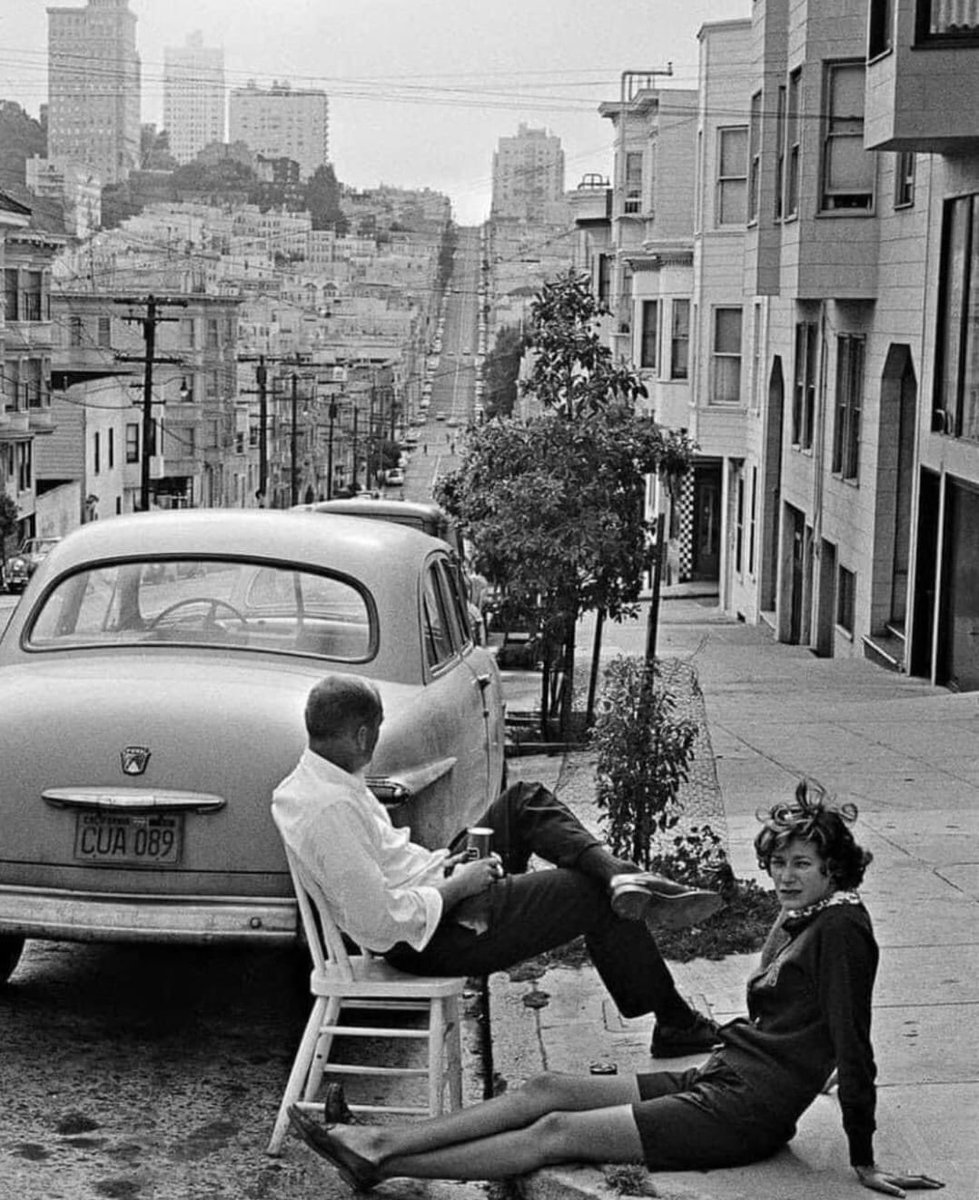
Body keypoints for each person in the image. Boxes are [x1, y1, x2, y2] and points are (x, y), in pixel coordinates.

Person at [286, 780, 945, 1199]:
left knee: (556, 1131)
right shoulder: (803, 916)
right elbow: (808, 1023)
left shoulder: (841, 931)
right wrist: (814, 1061)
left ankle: (379, 1153)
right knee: (545, 1090)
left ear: (834, 867)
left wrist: (861, 1157)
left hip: (743, 1116)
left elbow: (853, 1043)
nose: (784, 877)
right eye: (776, 863)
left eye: (801, 865)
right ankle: (375, 1144)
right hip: (722, 1077)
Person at [272, 674, 723, 1060]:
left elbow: (389, 867)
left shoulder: (321, 779)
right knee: (588, 896)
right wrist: (458, 887)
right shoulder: (330, 808)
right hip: (428, 940)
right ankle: (674, 1019)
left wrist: (445, 867)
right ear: (363, 736)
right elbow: (379, 924)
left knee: (523, 801)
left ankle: (617, 873)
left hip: (432, 893)